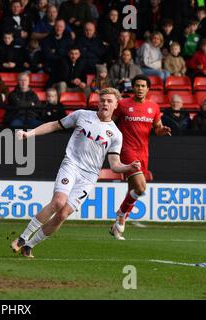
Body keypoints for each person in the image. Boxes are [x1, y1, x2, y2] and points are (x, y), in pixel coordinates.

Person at [11, 87, 140, 258]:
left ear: (116, 105)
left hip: (89, 177)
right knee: (58, 202)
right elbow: (55, 125)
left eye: (109, 101)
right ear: (98, 102)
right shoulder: (82, 115)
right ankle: (22, 238)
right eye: (103, 100)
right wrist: (30, 134)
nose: (105, 103)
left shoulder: (116, 134)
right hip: (71, 165)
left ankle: (29, 246)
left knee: (63, 214)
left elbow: (114, 164)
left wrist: (128, 167)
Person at [110, 75, 172, 240]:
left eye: (143, 86)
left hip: (144, 152)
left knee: (133, 191)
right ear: (133, 87)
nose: (139, 88)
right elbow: (110, 122)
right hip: (127, 151)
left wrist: (162, 131)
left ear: (147, 88)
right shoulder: (123, 105)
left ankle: (117, 226)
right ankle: (121, 214)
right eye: (137, 85)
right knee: (141, 188)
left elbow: (157, 129)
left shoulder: (153, 107)